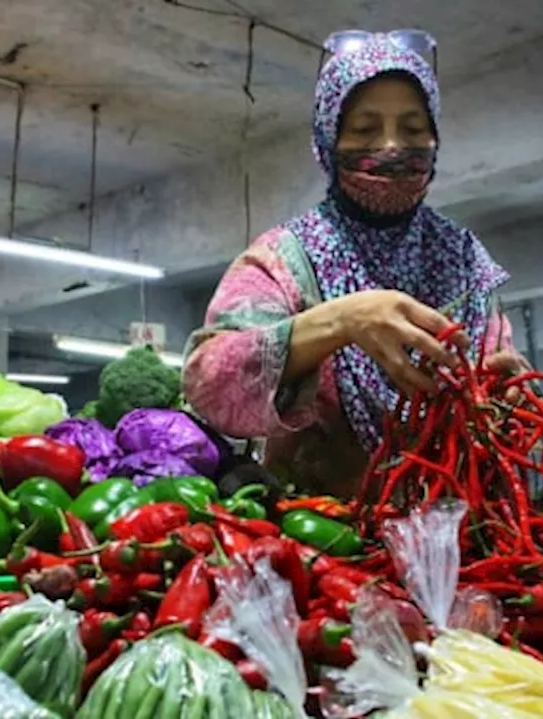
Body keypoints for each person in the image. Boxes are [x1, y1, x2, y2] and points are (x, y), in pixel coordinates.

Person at [183, 31, 525, 498]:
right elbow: (211, 388)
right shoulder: (283, 257)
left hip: (456, 538)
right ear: (328, 138)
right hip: (323, 544)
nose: (390, 147)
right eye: (364, 130)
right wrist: (341, 321)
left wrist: (511, 400)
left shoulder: (463, 259)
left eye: (412, 128)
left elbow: (497, 390)